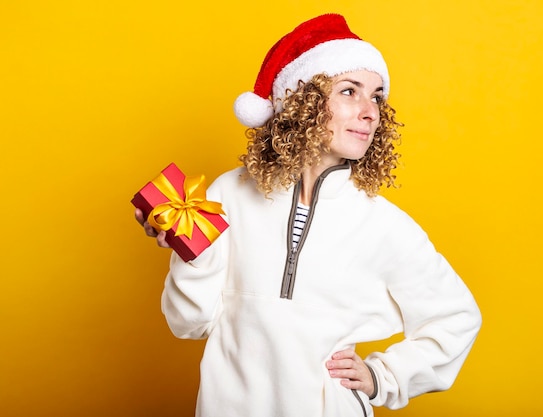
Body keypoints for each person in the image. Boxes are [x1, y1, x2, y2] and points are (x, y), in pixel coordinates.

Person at [135, 13, 481, 417]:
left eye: (377, 96)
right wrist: (191, 254)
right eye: (350, 91)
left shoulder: (384, 225)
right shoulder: (227, 195)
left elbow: (457, 317)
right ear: (302, 102)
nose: (371, 111)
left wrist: (382, 376)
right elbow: (188, 323)